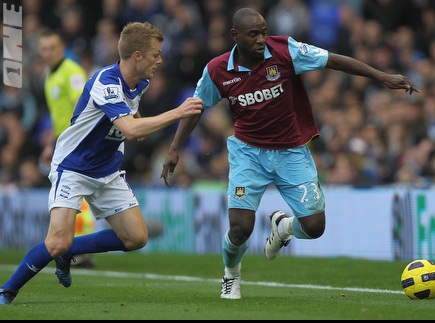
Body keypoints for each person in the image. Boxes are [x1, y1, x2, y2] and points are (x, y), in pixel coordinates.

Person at [160, 7, 420, 300]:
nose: (261, 39)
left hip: (291, 152)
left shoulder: (285, 51)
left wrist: (381, 76)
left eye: (264, 32)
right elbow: (196, 107)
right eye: (253, 34)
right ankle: (231, 274)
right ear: (235, 36)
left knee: (314, 227)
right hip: (248, 154)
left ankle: (282, 227)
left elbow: (332, 60)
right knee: (240, 228)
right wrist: (174, 148)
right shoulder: (218, 70)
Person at [0, 21, 203, 305]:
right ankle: (7, 290)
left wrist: (138, 121)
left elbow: (131, 117)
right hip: (73, 166)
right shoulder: (104, 82)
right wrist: (177, 112)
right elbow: (130, 130)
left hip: (107, 169)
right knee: (57, 241)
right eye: (156, 54)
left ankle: (70, 252)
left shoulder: (140, 83)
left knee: (136, 239)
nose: (160, 60)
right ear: (137, 56)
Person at [38, 28, 96, 268]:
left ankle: (78, 248)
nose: (48, 53)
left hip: (77, 139)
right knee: (75, 195)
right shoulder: (50, 74)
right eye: (43, 49)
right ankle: (74, 247)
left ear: (62, 48)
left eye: (52, 48)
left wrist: (71, 139)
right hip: (64, 140)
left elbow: (80, 105)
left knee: (75, 194)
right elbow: (60, 114)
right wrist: (52, 141)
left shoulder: (71, 71)